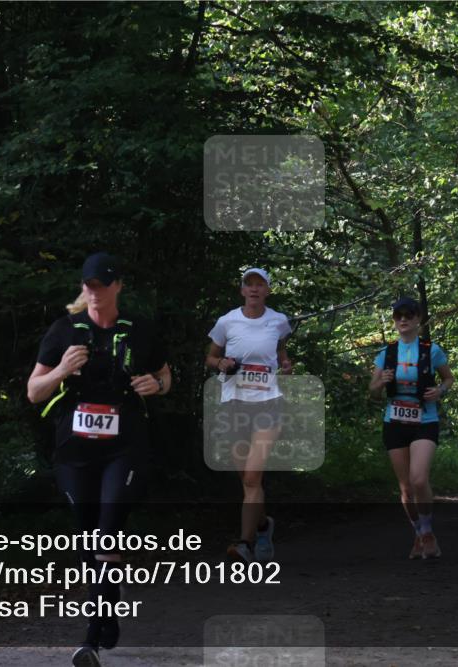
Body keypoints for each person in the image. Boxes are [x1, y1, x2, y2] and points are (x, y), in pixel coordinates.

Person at [27, 252, 171, 667]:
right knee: (88, 538)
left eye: (101, 285)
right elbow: (34, 392)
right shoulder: (64, 330)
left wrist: (155, 385)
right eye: (88, 285)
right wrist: (61, 370)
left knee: (107, 530)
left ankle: (92, 635)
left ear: (117, 286)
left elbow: (166, 376)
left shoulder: (140, 331)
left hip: (123, 447)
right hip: (75, 450)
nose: (93, 292)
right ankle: (107, 605)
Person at [206, 267, 293, 564]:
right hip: (235, 403)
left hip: (268, 402)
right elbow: (210, 356)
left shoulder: (278, 321)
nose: (254, 290)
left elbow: (281, 351)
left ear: (268, 290)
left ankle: (244, 543)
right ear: (242, 290)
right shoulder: (226, 321)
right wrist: (222, 364)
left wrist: (284, 363)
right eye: (249, 284)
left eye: (260, 285)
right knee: (246, 479)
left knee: (254, 476)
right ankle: (263, 526)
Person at [369, 297, 453, 559]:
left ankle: (427, 531)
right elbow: (372, 393)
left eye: (408, 315)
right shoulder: (386, 353)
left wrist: (439, 390)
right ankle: (419, 534)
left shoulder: (431, 350)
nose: (403, 319)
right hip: (394, 422)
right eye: (398, 315)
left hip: (424, 421)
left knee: (419, 479)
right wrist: (380, 383)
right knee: (405, 487)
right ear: (394, 321)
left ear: (418, 319)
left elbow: (448, 378)